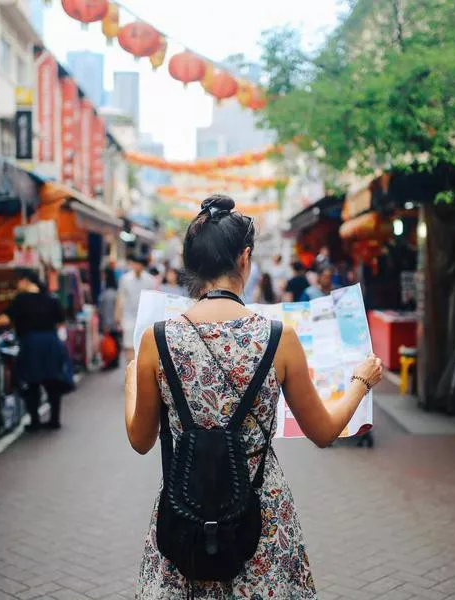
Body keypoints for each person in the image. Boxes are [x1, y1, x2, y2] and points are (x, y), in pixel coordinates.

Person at [124, 194, 383, 598]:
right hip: (260, 518)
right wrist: (361, 381)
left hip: (185, 511)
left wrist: (130, 386)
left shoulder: (156, 340)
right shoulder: (279, 339)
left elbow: (140, 440)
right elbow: (325, 430)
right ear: (244, 259)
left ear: (191, 265)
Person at [0, 269, 73, 431]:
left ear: (26, 281)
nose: (17, 284)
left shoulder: (21, 300)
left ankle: (34, 420)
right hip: (51, 343)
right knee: (52, 382)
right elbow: (61, 322)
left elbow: (6, 318)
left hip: (31, 343)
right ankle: (54, 420)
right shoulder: (50, 298)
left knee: (31, 382)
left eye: (19, 281)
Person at [115, 254, 156, 363]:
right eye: (135, 264)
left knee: (142, 345)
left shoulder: (150, 280)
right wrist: (118, 316)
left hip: (144, 317)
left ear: (143, 266)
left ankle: (139, 370)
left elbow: (153, 300)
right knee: (128, 345)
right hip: (128, 316)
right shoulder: (125, 279)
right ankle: (131, 369)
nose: (137, 266)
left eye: (139, 264)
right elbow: (120, 297)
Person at [98, 268, 120, 369]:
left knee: (110, 343)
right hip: (115, 323)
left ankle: (111, 362)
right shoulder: (115, 292)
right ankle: (114, 362)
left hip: (109, 323)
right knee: (115, 342)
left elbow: (106, 310)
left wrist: (106, 325)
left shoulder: (107, 293)